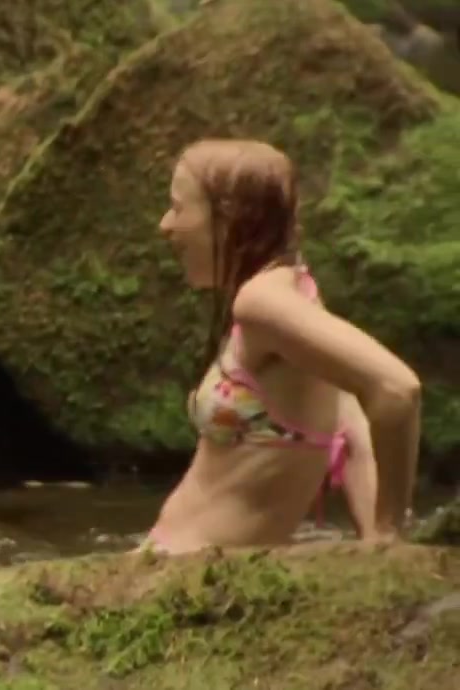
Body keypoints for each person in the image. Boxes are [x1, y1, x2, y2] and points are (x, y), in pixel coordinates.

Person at [141, 138, 422, 554]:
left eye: (178, 208)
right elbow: (350, 427)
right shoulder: (296, 289)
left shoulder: (262, 302)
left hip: (199, 572)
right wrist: (376, 540)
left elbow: (396, 389)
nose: (165, 225)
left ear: (227, 217)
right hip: (178, 560)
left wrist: (387, 531)